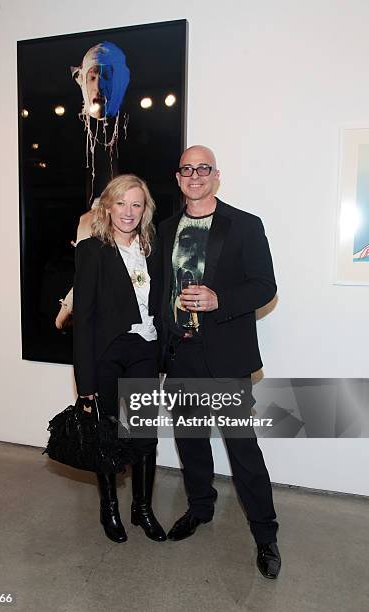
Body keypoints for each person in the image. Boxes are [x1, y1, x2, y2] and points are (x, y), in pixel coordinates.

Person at [156, 145, 281, 579]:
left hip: (226, 358)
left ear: (216, 175)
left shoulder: (244, 225)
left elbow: (265, 286)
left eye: (203, 168)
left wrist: (219, 299)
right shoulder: (165, 228)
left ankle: (266, 536)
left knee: (243, 450)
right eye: (187, 169)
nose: (195, 176)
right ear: (178, 178)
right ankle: (199, 510)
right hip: (180, 355)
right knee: (191, 445)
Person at [73, 174, 166, 544]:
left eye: (136, 204)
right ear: (108, 206)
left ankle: (142, 509)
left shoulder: (153, 248)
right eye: (121, 203)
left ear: (145, 210)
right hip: (107, 353)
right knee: (107, 436)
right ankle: (109, 508)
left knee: (144, 433)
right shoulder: (92, 249)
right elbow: (84, 319)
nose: (128, 212)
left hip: (145, 349)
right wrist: (86, 383)